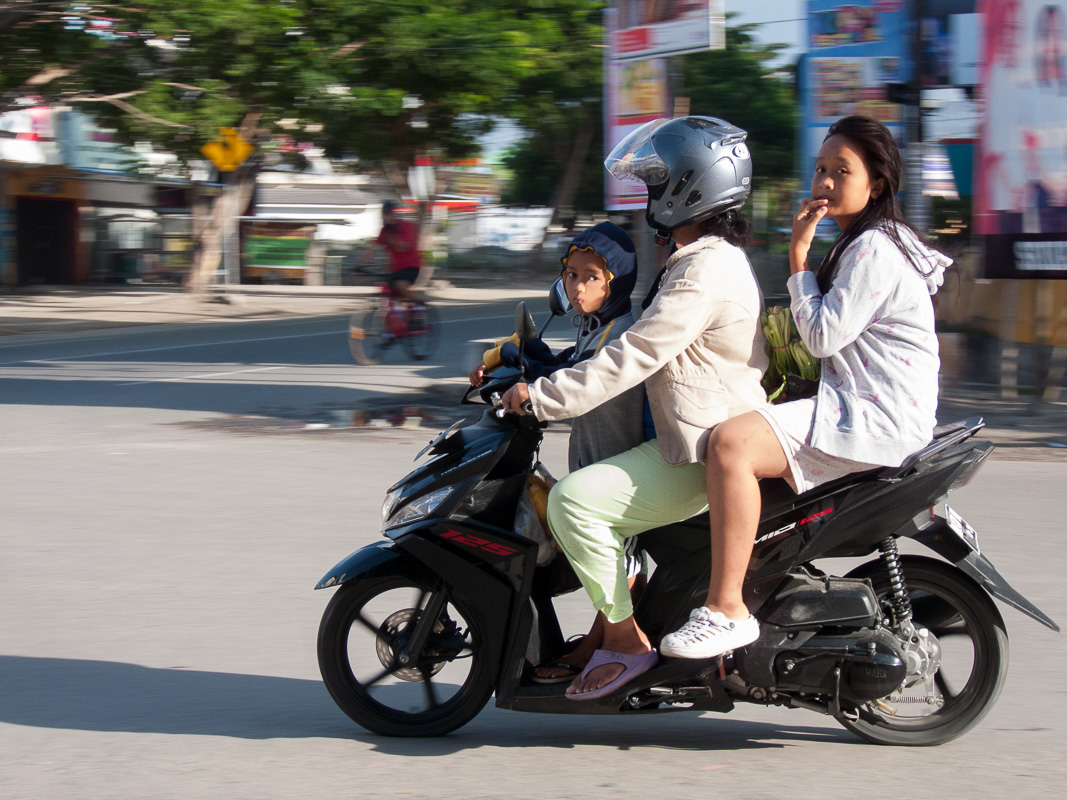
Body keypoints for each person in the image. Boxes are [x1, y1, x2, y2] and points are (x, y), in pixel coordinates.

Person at [658, 115, 953, 661]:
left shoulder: (873, 249)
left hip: (871, 416)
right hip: (865, 405)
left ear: (876, 185)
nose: (826, 182)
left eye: (842, 171)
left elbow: (821, 336)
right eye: (821, 169)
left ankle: (726, 608)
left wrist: (798, 256)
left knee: (730, 444)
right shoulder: (869, 242)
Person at [501, 116, 769, 700]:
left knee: (573, 503)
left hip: (701, 453)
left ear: (691, 187)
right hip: (693, 441)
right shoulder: (698, 258)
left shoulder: (704, 269)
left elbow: (634, 355)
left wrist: (541, 398)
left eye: (658, 182)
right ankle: (609, 631)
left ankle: (624, 641)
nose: (651, 195)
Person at [470, 222, 649, 684]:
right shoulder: (594, 326)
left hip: (621, 461)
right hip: (595, 456)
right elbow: (563, 363)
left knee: (618, 555)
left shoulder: (620, 332)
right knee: (612, 552)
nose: (577, 286)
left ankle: (601, 646)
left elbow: (579, 377)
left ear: (616, 282)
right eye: (571, 275)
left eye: (592, 276)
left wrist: (533, 381)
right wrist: (506, 358)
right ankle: (600, 642)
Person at [356, 200, 423, 302]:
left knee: (400, 286)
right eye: (385, 214)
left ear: (394, 214)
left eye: (389, 214)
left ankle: (419, 304)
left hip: (411, 267)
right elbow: (372, 248)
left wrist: (391, 235)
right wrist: (359, 266)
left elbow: (403, 247)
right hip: (395, 269)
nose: (387, 217)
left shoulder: (407, 226)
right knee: (386, 291)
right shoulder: (385, 231)